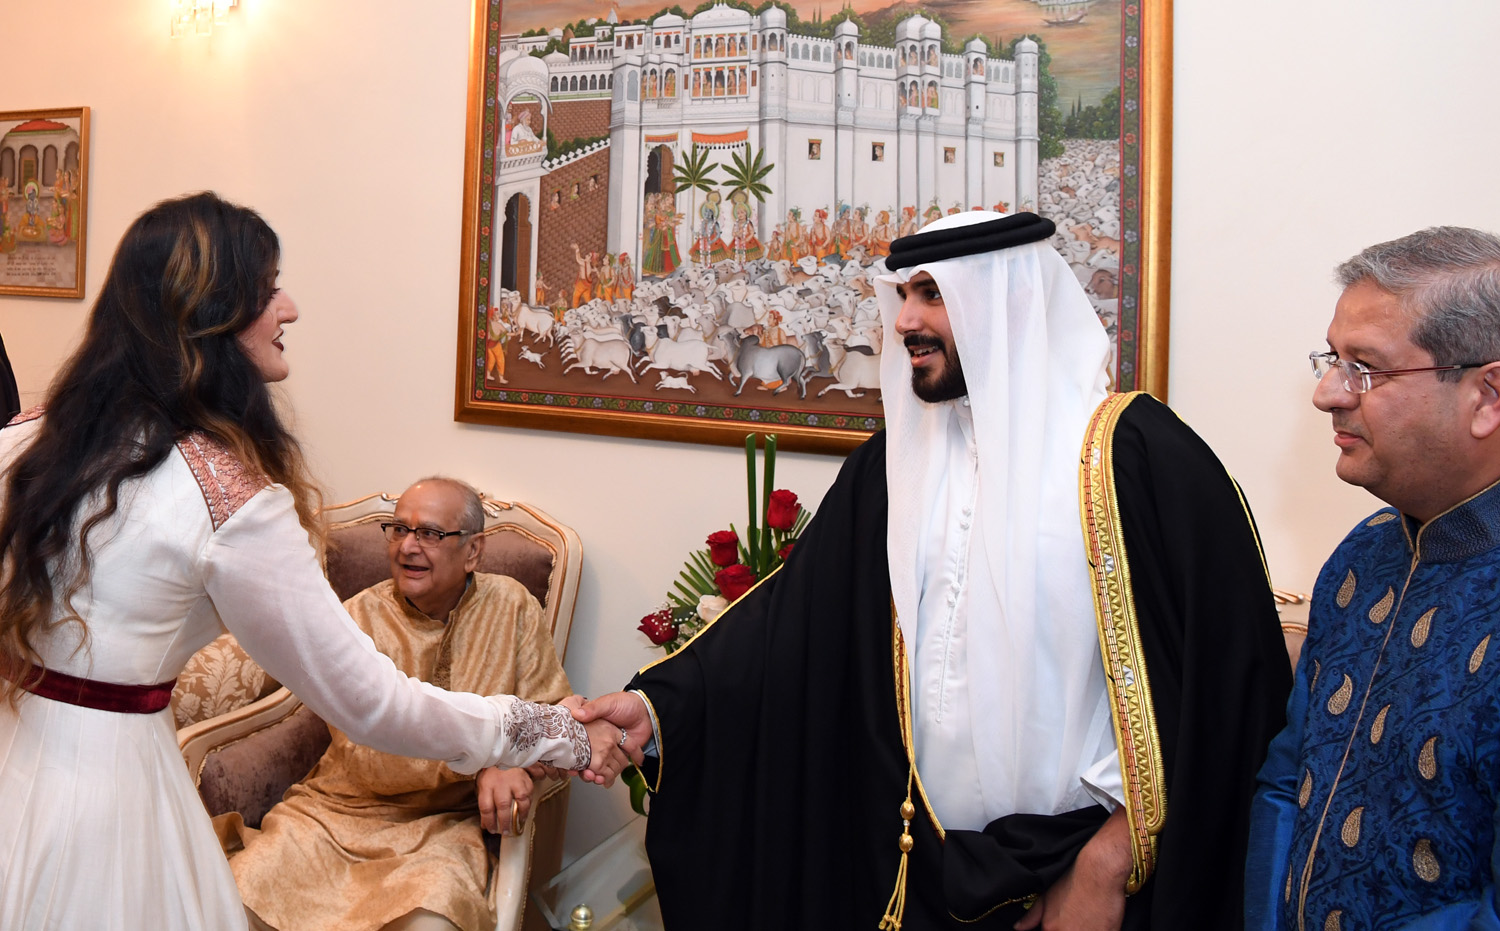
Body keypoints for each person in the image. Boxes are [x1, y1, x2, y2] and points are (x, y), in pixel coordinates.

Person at [577, 210, 1291, 929]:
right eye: (903, 295)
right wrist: (659, 708)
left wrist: (1112, 858)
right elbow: (791, 625)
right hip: (915, 868)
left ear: (1008, 301)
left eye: (933, 295)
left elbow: (1228, 690)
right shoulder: (892, 468)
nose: (905, 322)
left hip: (1086, 884)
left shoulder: (1133, 459)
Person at [0, 192, 633, 930]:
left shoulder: (23, 440)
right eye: (268, 290)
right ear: (211, 314)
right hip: (109, 804)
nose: (290, 308)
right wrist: (560, 731)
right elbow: (372, 701)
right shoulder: (227, 499)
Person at [1245, 227, 1500, 930]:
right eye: (1333, 360)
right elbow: (1286, 784)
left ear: (1488, 395)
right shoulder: (1366, 553)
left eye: (1366, 368)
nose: (1327, 393)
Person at [231, 477, 574, 931]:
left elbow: (554, 713)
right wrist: (487, 758)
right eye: (399, 530)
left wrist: (513, 764)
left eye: (429, 533)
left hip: (446, 827)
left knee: (434, 916)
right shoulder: (356, 616)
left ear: (473, 551)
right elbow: (366, 754)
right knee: (235, 895)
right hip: (337, 812)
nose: (408, 547)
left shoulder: (512, 607)